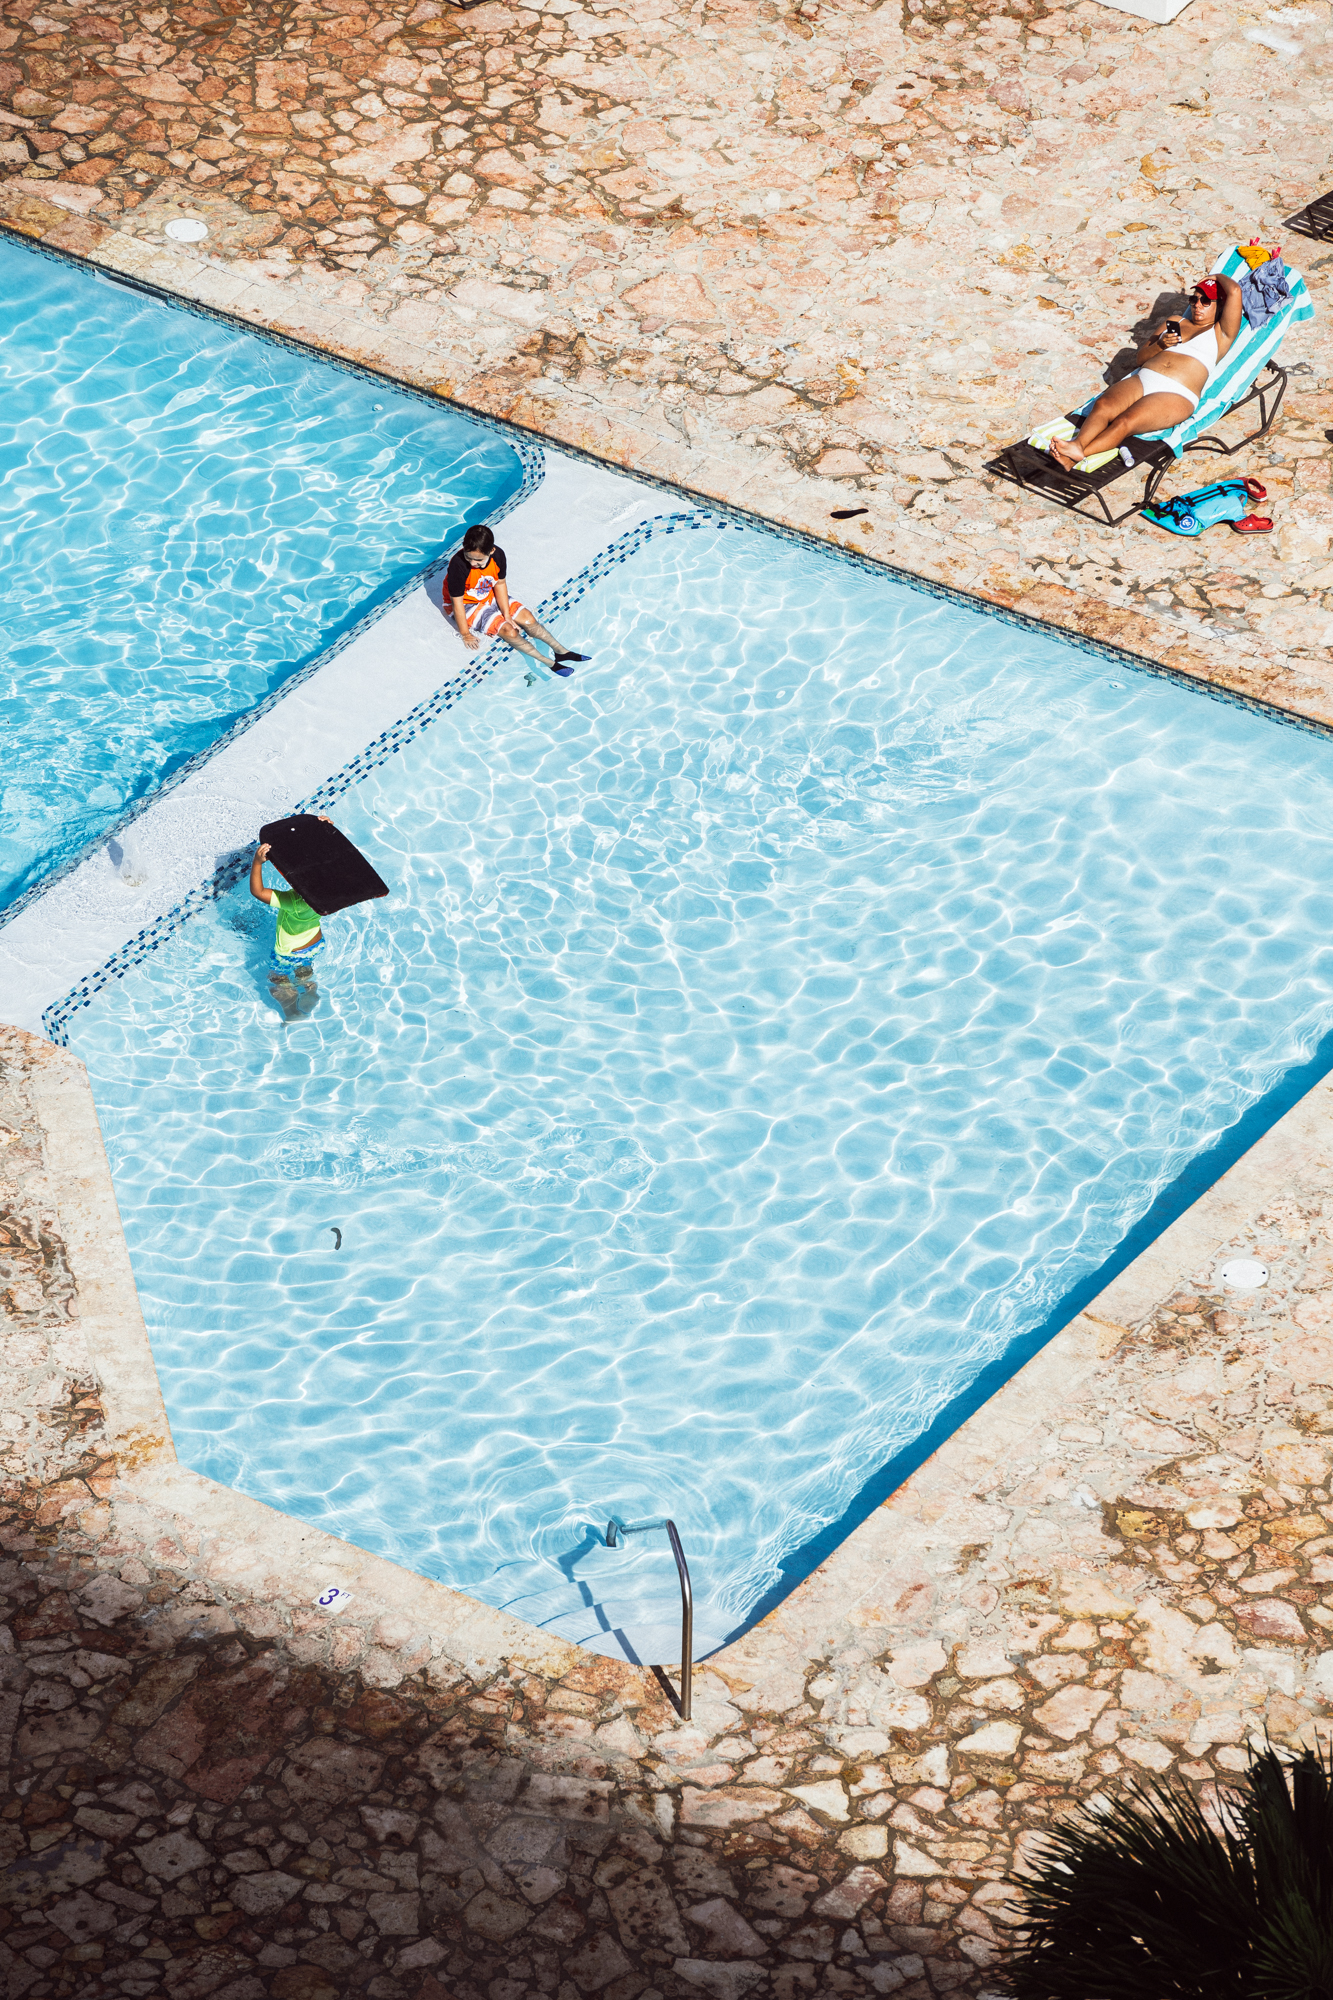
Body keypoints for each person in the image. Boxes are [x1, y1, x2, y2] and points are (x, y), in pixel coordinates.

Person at [1048, 274, 1244, 474]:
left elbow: (1235, 291)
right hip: (1144, 379)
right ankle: (1076, 445)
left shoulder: (1221, 333)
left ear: (1220, 305)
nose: (1198, 305)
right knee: (1103, 405)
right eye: (1194, 299)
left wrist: (1216, 276)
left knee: (1125, 421)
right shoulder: (1175, 321)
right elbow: (1140, 358)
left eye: (1206, 301)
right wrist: (1160, 345)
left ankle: (1078, 455)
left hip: (1177, 394)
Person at [445, 523, 589, 679]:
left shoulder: (498, 556)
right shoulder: (458, 565)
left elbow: (499, 584)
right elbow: (457, 603)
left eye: (478, 560)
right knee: (509, 631)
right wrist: (465, 634)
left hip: (488, 594)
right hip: (467, 604)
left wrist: (506, 615)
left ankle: (561, 651)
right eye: (469, 557)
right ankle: (549, 663)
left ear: (491, 551)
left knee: (528, 618)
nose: (473, 563)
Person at [249, 819, 331, 1021]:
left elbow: (258, 891)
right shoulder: (331, 894)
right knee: (304, 971)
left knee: (278, 981)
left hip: (289, 952)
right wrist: (323, 832)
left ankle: (291, 1012)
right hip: (314, 944)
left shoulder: (294, 901)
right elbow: (331, 860)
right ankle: (310, 991)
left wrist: (257, 862)